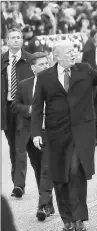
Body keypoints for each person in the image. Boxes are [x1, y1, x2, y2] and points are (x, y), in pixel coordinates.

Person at [31, 40, 97, 231]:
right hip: (56, 133)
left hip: (81, 131)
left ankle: (79, 219)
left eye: (73, 51)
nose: (72, 54)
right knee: (60, 176)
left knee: (76, 171)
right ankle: (66, 217)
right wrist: (35, 133)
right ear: (56, 57)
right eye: (67, 52)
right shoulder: (44, 77)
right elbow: (36, 108)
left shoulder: (84, 69)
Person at [13, 52, 55, 220]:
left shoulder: (55, 83)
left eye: (47, 63)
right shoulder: (24, 85)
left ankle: (42, 205)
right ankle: (49, 203)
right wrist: (30, 109)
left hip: (50, 132)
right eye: (41, 64)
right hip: (31, 133)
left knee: (47, 169)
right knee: (38, 170)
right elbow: (15, 105)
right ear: (33, 68)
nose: (45, 66)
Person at [1, 28, 33, 198]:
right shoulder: (2, 60)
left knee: (20, 145)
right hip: (6, 108)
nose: (16, 40)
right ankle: (17, 181)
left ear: (22, 40)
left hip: (23, 108)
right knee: (13, 146)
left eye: (19, 37)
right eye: (12, 37)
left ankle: (19, 185)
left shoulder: (29, 60)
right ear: (7, 40)